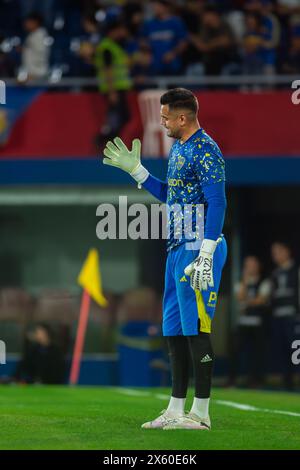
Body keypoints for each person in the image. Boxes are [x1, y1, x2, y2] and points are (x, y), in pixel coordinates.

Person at [102, 88, 227, 430]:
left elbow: (218, 203)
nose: (162, 122)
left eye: (166, 117)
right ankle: (175, 408)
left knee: (197, 328)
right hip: (176, 249)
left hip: (198, 247)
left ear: (182, 117)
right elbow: (170, 196)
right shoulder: (179, 149)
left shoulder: (206, 150)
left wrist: (206, 252)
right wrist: (138, 172)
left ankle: (200, 414)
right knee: (174, 331)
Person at [230, 256, 271, 387]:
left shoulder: (265, 282)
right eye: (248, 265)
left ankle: (255, 380)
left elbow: (261, 300)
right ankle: (232, 380)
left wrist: (248, 302)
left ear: (258, 266)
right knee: (236, 351)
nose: (250, 267)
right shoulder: (240, 282)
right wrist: (245, 281)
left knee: (257, 354)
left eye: (253, 264)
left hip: (258, 323)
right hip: (243, 323)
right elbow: (240, 297)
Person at [270, 241, 299, 390]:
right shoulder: (275, 274)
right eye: (273, 253)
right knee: (282, 350)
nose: (276, 256)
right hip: (278, 317)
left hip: (293, 317)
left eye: (279, 251)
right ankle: (286, 382)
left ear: (287, 251)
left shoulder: (296, 271)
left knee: (295, 348)